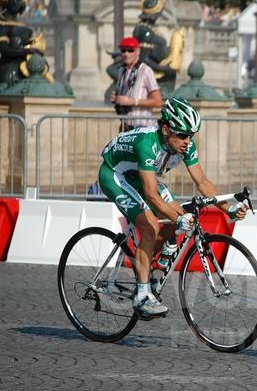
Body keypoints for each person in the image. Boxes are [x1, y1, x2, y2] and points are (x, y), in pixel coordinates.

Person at [98, 97, 247, 316]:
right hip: (116, 175)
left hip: (140, 176)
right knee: (150, 226)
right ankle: (141, 296)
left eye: (191, 136)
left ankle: (147, 267)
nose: (188, 141)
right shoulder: (147, 144)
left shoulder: (185, 146)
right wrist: (178, 218)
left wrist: (230, 209)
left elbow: (203, 183)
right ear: (166, 129)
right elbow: (150, 193)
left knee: (177, 220)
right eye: (183, 135)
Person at [110, 36, 163, 133]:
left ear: (138, 51)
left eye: (130, 50)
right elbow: (124, 99)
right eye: (123, 50)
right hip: (125, 126)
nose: (126, 54)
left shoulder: (146, 70)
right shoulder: (121, 70)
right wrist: (116, 98)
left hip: (142, 127)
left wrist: (134, 102)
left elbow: (158, 102)